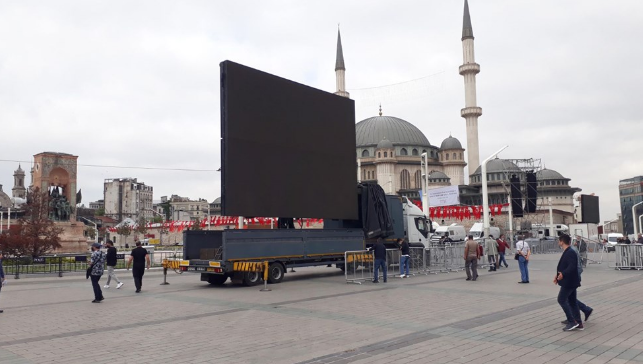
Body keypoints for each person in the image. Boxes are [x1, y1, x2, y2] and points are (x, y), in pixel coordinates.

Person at [561, 236, 593, 326]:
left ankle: (574, 319)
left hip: (572, 278)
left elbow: (575, 266)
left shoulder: (572, 251)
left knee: (565, 298)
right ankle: (582, 313)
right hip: (572, 277)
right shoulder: (571, 250)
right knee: (570, 298)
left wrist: (573, 277)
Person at [555, 234, 583, 331]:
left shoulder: (570, 252)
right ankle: (579, 323)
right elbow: (565, 266)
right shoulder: (568, 251)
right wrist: (557, 276)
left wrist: (563, 274)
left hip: (569, 281)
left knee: (561, 299)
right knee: (572, 301)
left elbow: (572, 266)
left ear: (562, 241)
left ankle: (572, 321)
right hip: (570, 280)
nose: (558, 242)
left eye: (559, 241)